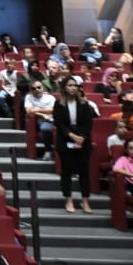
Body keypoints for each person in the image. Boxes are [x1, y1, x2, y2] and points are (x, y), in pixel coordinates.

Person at [52, 78, 97, 213]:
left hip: (83, 142)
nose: (73, 88)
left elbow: (88, 123)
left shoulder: (84, 104)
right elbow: (59, 123)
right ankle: (69, 199)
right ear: (64, 88)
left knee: (84, 172)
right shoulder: (58, 104)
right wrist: (72, 136)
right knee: (66, 172)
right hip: (65, 141)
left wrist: (81, 138)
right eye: (70, 85)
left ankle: (85, 201)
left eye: (75, 86)